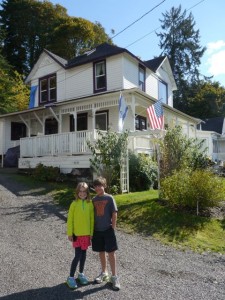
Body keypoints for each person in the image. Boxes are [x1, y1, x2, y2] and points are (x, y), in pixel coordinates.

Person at [91, 176, 120, 291]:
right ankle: (104, 272)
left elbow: (114, 212)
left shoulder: (109, 198)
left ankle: (114, 276)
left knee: (111, 253)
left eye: (100, 185)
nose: (98, 188)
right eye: (96, 186)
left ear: (104, 186)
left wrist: (113, 226)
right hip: (97, 230)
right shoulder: (93, 200)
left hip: (108, 229)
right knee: (101, 252)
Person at [66, 182, 94, 289]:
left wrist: (91, 233)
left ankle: (81, 273)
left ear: (87, 192)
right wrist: (70, 233)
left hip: (86, 235)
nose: (82, 193)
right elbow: (70, 220)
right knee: (77, 256)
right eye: (80, 191)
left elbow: (92, 220)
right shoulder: (74, 204)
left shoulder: (90, 204)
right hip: (76, 235)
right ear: (77, 192)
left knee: (84, 255)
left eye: (84, 191)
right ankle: (71, 277)